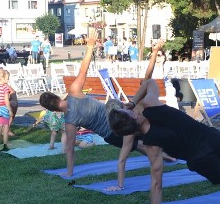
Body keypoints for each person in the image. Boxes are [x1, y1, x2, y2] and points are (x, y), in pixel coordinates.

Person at [107, 77, 220, 204]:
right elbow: (150, 82)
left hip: (201, 156)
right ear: (133, 115)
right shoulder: (151, 105)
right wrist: (133, 102)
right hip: (209, 140)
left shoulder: (151, 147)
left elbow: (156, 182)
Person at [38, 34, 165, 192]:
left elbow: (69, 148)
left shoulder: (69, 121)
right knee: (135, 137)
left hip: (113, 135)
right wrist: (90, 46)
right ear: (56, 96)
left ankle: (164, 156)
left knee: (132, 145)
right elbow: (83, 69)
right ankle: (164, 154)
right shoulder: (74, 91)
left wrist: (69, 172)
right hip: (121, 120)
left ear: (52, 109)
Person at [0, 68, 15, 147]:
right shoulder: (5, 88)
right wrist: (10, 110)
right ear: (2, 78)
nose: (8, 80)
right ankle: (5, 142)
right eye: (7, 79)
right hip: (3, 108)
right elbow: (7, 101)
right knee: (6, 126)